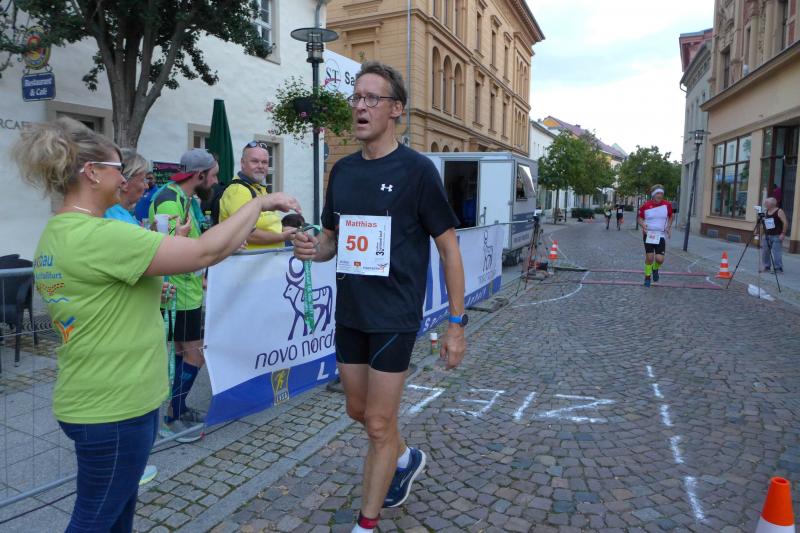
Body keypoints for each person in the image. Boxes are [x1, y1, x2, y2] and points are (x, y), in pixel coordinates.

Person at [16, 117, 299, 533]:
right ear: (91, 172)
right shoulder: (100, 235)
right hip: (115, 404)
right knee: (95, 519)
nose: (127, 179)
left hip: (96, 395)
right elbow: (203, 253)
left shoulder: (61, 230)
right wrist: (259, 204)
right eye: (118, 169)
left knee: (115, 516)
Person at [294, 61, 467, 533]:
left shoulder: (417, 171)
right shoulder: (342, 170)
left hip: (394, 315)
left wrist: (456, 324)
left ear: (396, 110)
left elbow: (449, 248)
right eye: (356, 97)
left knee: (376, 423)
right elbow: (331, 240)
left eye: (372, 98)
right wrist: (313, 248)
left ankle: (366, 524)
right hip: (351, 312)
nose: (361, 106)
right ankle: (405, 457)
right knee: (359, 410)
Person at [149, 149, 219, 442]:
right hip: (177, 294)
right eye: (213, 175)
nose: (215, 181)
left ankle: (177, 409)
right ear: (199, 175)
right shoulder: (169, 199)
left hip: (187, 291)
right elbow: (165, 247)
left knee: (183, 353)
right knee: (195, 355)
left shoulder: (186, 198)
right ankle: (172, 415)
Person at [218, 142, 295, 249]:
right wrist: (282, 237)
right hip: (249, 258)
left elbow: (266, 225)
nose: (260, 166)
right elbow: (246, 233)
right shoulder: (239, 190)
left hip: (267, 258)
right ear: (242, 163)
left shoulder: (258, 188)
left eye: (264, 162)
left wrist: (284, 230)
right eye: (254, 161)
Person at [638, 184, 674, 287]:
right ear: (653, 194)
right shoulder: (646, 205)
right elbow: (639, 218)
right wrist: (643, 225)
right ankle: (647, 276)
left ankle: (655, 268)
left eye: (661, 193)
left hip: (660, 235)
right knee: (650, 257)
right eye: (658, 193)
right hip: (649, 234)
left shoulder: (667, 205)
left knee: (659, 259)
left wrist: (668, 227)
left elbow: (671, 216)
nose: (660, 195)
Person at [761, 197, 788, 273]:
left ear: (772, 204)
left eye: (767, 203)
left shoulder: (779, 211)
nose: (765, 204)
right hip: (767, 234)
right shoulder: (766, 211)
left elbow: (785, 223)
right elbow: (764, 223)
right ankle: (767, 266)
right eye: (765, 203)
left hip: (777, 235)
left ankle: (778, 268)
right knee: (765, 252)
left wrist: (783, 233)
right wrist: (762, 233)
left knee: (776, 252)